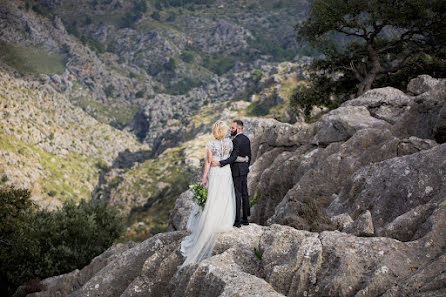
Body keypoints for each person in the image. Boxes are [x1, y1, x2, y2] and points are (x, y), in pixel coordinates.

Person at [180, 120, 248, 267]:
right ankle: (224, 221)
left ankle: (211, 222)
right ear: (223, 131)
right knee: (225, 196)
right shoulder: (230, 143)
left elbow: (208, 162)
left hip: (216, 173)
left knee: (213, 197)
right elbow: (232, 157)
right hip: (225, 172)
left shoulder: (211, 144)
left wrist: (204, 177)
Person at [211, 119, 251, 228]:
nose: (231, 130)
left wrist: (220, 162)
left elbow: (232, 158)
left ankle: (237, 221)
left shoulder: (235, 141)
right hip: (244, 170)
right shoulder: (247, 139)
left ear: (238, 129)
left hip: (237, 170)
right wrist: (246, 164)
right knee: (245, 194)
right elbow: (249, 156)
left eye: (232, 128)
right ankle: (246, 219)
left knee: (237, 194)